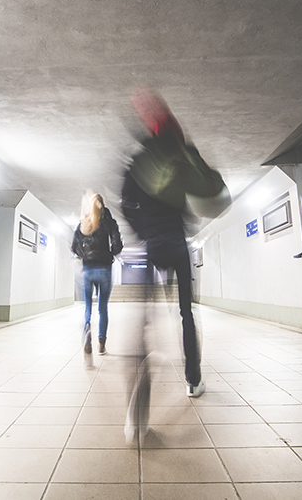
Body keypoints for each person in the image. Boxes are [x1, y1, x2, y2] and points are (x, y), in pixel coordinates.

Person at [121, 89, 229, 400]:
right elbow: (211, 188)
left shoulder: (139, 161)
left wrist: (142, 231)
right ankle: (193, 380)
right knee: (186, 313)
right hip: (179, 244)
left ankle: (139, 377)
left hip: (152, 244)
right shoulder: (183, 154)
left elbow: (126, 203)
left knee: (144, 315)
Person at [71, 192, 123, 366]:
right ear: (103, 205)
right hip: (104, 269)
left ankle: (87, 329)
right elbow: (117, 245)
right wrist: (110, 254)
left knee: (87, 307)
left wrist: (85, 256)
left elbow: (74, 247)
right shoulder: (109, 222)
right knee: (103, 308)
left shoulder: (83, 223)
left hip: (87, 269)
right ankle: (101, 345)